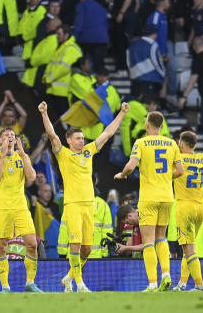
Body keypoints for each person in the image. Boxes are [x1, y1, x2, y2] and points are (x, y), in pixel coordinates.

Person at [40, 100, 129, 292]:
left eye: (82, 138)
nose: (82, 141)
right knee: (75, 244)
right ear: (69, 141)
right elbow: (52, 135)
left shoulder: (88, 152)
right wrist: (44, 113)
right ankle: (79, 284)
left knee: (87, 249)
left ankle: (68, 278)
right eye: (78, 138)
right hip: (72, 204)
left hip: (89, 205)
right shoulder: (62, 154)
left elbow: (108, 133)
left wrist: (121, 113)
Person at [115, 111, 185, 292]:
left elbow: (131, 166)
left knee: (148, 242)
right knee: (161, 237)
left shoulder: (141, 143)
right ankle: (167, 274)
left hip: (148, 198)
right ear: (161, 126)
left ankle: (153, 284)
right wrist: (166, 177)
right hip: (167, 197)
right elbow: (181, 171)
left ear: (147, 125)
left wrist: (122, 175)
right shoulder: (172, 144)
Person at [0, 128, 41, 293]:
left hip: (20, 207)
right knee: (2, 246)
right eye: (6, 135)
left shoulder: (22, 157)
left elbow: (32, 177)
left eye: (12, 135)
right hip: (1, 207)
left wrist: (23, 155)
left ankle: (30, 282)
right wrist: (2, 155)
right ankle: (5, 287)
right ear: (0, 140)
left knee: (31, 243)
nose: (10, 137)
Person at [172, 130, 203, 291]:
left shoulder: (177, 158)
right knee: (187, 247)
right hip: (200, 208)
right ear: (195, 145)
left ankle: (199, 285)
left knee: (189, 249)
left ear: (181, 144)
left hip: (185, 207)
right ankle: (181, 283)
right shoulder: (202, 158)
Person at [42, 25, 83, 117]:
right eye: (56, 33)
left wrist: (48, 79)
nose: (57, 36)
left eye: (59, 34)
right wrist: (45, 79)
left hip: (63, 92)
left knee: (62, 118)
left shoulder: (71, 48)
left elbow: (63, 68)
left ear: (66, 35)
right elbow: (51, 65)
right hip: (55, 89)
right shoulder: (62, 47)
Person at [74, 0, 109, 72]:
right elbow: (106, 25)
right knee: (99, 66)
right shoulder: (102, 8)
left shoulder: (81, 5)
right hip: (101, 39)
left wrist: (73, 37)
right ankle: (102, 84)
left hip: (85, 39)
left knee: (78, 63)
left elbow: (79, 23)